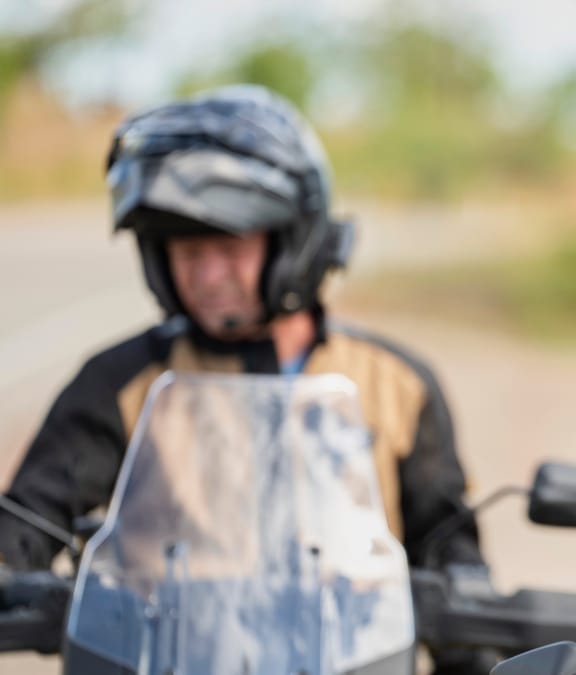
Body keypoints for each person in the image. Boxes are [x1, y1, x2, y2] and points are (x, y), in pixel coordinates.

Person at [0, 85, 494, 673]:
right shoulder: (122, 381)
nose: (207, 274)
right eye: (185, 249)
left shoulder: (394, 384)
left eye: (229, 245)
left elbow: (449, 547)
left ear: (292, 240)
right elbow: (26, 523)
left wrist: (471, 608)